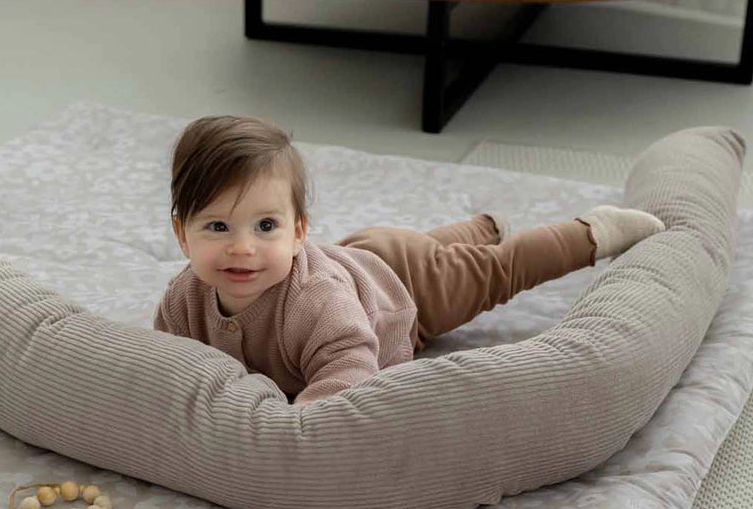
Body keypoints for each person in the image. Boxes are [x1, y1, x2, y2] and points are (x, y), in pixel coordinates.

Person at [154, 116, 665, 405]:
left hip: (409, 290)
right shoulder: (183, 300)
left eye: (266, 226)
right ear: (182, 236)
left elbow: (350, 370)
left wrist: (293, 427)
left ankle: (591, 232)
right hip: (364, 258)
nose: (242, 248)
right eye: (217, 227)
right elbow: (167, 368)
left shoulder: (315, 301)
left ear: (298, 233)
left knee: (493, 272)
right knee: (436, 248)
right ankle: (482, 227)